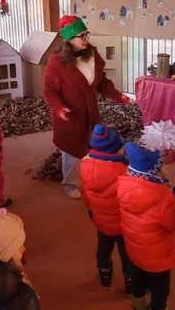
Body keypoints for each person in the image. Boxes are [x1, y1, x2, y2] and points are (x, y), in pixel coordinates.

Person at [43, 15, 130, 199]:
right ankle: (71, 184)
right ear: (69, 39)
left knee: (92, 146)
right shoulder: (56, 62)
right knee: (72, 149)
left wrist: (119, 96)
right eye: (81, 36)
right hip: (69, 116)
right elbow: (49, 92)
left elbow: (101, 82)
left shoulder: (92, 55)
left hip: (90, 112)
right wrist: (60, 109)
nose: (86, 39)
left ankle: (90, 178)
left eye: (86, 34)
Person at [118, 142, 175, 310]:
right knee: (159, 292)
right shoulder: (163, 198)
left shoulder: (123, 185)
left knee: (138, 283)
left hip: (135, 251)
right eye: (162, 165)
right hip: (158, 258)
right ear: (154, 171)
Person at [79, 124, 132, 293]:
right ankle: (130, 282)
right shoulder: (123, 171)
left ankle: (105, 273)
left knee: (103, 247)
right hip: (122, 223)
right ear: (113, 150)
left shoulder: (84, 164)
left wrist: (92, 212)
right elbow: (129, 200)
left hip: (100, 218)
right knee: (127, 253)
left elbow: (86, 194)